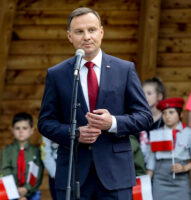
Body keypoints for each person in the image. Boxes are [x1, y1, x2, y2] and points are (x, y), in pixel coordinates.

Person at [38, 7, 152, 200]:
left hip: (116, 175)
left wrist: (113, 123)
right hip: (73, 174)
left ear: (101, 32)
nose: (86, 37)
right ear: (69, 36)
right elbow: (45, 122)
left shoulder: (124, 69)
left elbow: (145, 117)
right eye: (79, 31)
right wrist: (74, 134)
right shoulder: (57, 74)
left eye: (91, 30)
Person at [147, 97, 191, 200]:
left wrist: (185, 168)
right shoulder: (157, 134)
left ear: (181, 114)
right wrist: (147, 183)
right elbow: (151, 161)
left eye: (171, 112)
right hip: (160, 180)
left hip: (181, 179)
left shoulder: (188, 132)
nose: (167, 116)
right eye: (164, 113)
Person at [1, 112, 44, 200]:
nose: (21, 131)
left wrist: (26, 189)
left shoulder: (36, 152)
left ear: (31, 130)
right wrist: (16, 190)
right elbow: (5, 170)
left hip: (31, 191)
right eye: (17, 128)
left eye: (24, 128)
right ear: (12, 130)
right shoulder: (6, 151)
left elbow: (37, 173)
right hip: (11, 190)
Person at [139, 77, 166, 165]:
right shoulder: (138, 118)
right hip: (141, 164)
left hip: (160, 165)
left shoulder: (166, 119)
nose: (145, 96)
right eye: (142, 93)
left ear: (159, 96)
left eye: (149, 93)